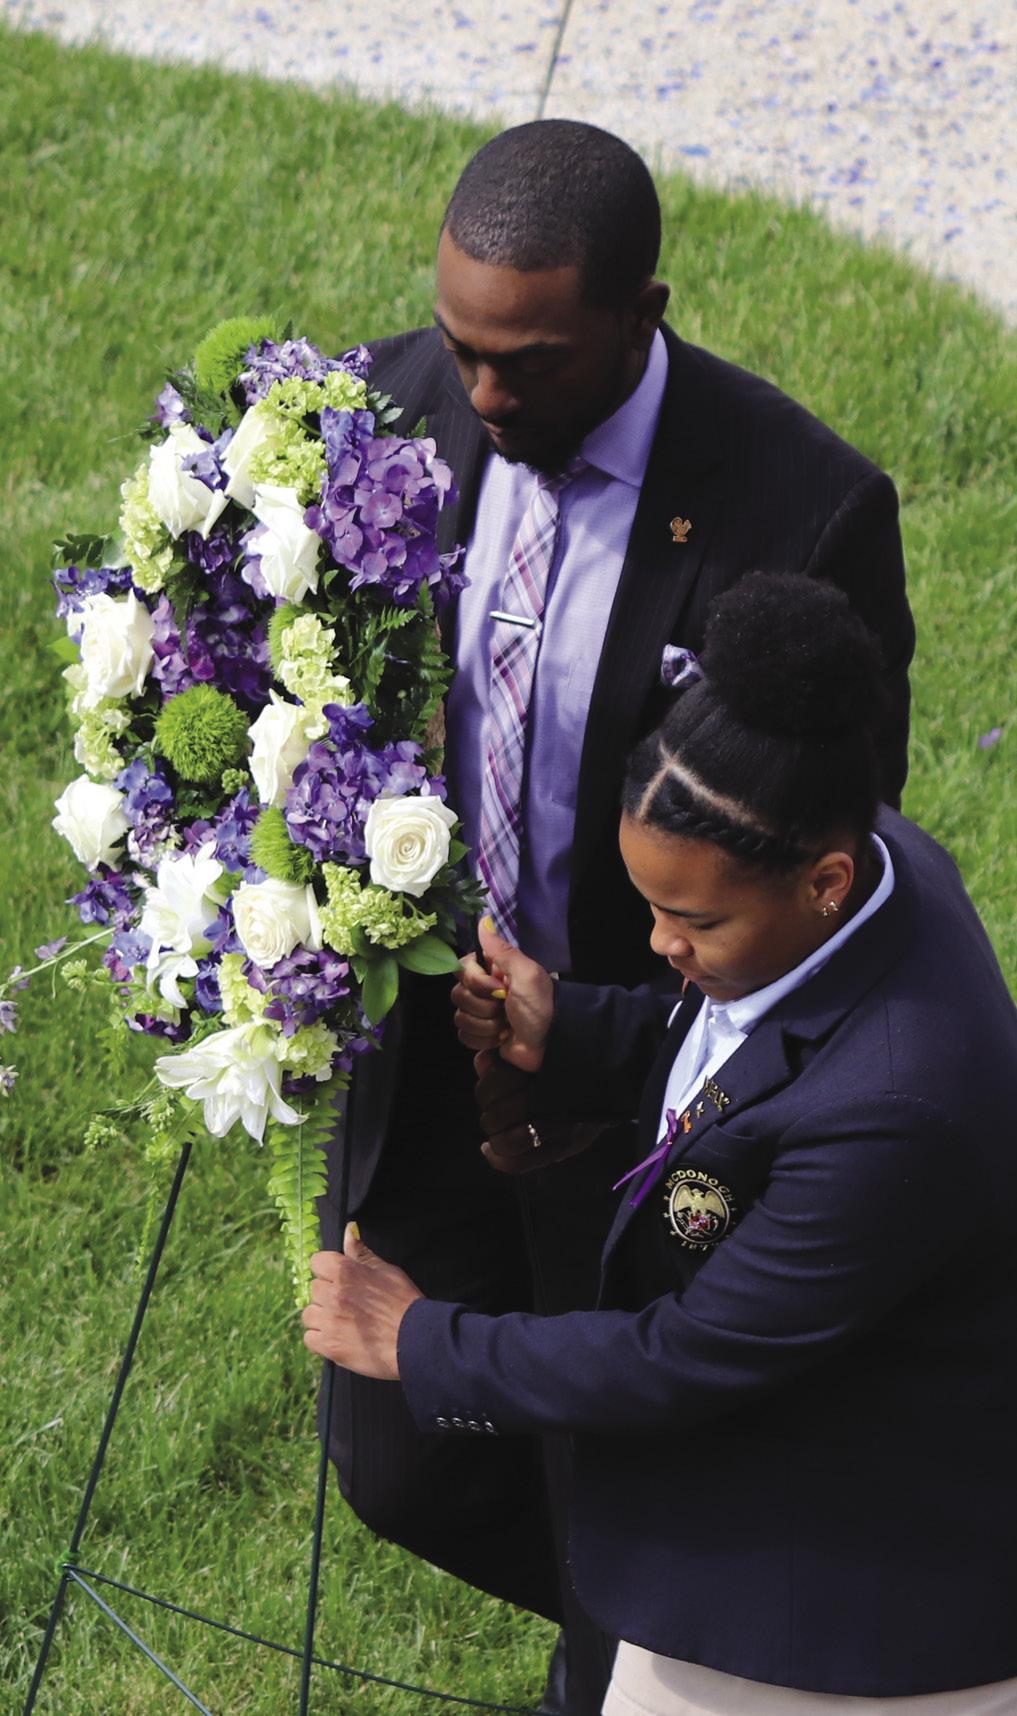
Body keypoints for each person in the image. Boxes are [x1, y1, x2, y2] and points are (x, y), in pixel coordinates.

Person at [320, 118, 915, 1710]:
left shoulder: (803, 511)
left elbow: (810, 885)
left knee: (620, 1475)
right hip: (434, 1058)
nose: (483, 397)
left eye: (530, 363)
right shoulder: (374, 418)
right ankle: (671, 1619)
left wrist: (599, 1043)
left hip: (653, 1091)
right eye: (463, 349)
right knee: (402, 1463)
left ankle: (633, 1652)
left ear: (643, 312)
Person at [304, 573, 1017, 1715]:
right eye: (650, 907)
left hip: (837, 1621)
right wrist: (572, 1026)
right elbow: (744, 1040)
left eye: (694, 920)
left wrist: (420, 1339)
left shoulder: (901, 1106)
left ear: (824, 881)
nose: (659, 945)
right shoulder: (866, 871)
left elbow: (681, 1357)